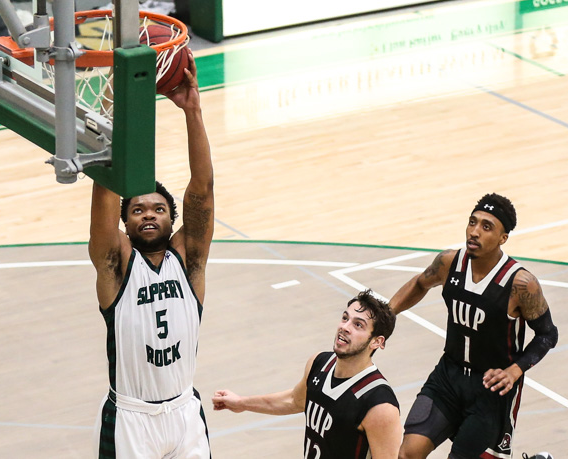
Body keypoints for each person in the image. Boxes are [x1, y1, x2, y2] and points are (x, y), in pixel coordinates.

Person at [88, 50, 213, 458]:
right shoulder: (116, 265)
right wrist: (113, 110)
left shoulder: (189, 260)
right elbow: (104, 187)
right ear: (124, 222)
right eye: (137, 209)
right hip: (131, 419)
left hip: (184, 412)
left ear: (172, 218)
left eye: (158, 209)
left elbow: (202, 189)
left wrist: (193, 112)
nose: (148, 214)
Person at [389, 193, 559, 459]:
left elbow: (548, 334)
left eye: (486, 226)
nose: (475, 232)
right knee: (408, 454)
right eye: (472, 222)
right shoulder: (449, 263)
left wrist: (514, 371)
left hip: (491, 389)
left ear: (503, 238)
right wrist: (388, 315)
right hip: (448, 376)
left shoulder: (521, 284)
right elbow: (420, 283)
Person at [212, 290, 402, 459]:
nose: (345, 327)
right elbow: (295, 400)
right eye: (345, 318)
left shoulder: (380, 405)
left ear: (377, 342)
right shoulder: (319, 363)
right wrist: (241, 403)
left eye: (358, 325)